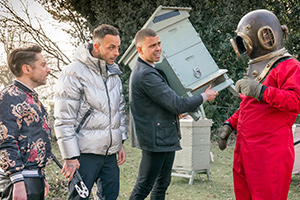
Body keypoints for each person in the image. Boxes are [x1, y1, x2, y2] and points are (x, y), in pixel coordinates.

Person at [217, 9, 300, 200]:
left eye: (245, 41)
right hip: (245, 150)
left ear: (265, 35)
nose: (245, 48)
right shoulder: (260, 65)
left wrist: (261, 91)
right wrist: (230, 124)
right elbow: (251, 107)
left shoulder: (289, 65)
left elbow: (296, 101)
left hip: (270, 154)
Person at [129, 28, 218, 200]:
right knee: (144, 186)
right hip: (155, 139)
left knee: (162, 184)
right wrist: (204, 97)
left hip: (164, 136)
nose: (158, 48)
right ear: (139, 50)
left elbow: (163, 104)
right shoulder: (146, 74)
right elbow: (176, 104)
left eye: (159, 43)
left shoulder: (153, 70)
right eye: (152, 46)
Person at [54, 24, 127, 200]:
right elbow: (64, 118)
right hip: (83, 154)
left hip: (109, 155)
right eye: (111, 47)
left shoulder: (113, 73)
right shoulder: (73, 72)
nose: (116, 52)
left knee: (111, 196)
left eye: (118, 47)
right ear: (97, 46)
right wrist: (70, 156)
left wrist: (120, 141)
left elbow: (120, 109)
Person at [0, 45, 52, 199]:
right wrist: (18, 183)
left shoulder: (31, 98)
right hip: (19, 182)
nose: (48, 69)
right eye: (43, 65)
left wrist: (41, 175)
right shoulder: (9, 97)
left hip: (34, 178)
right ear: (27, 69)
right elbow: (5, 141)